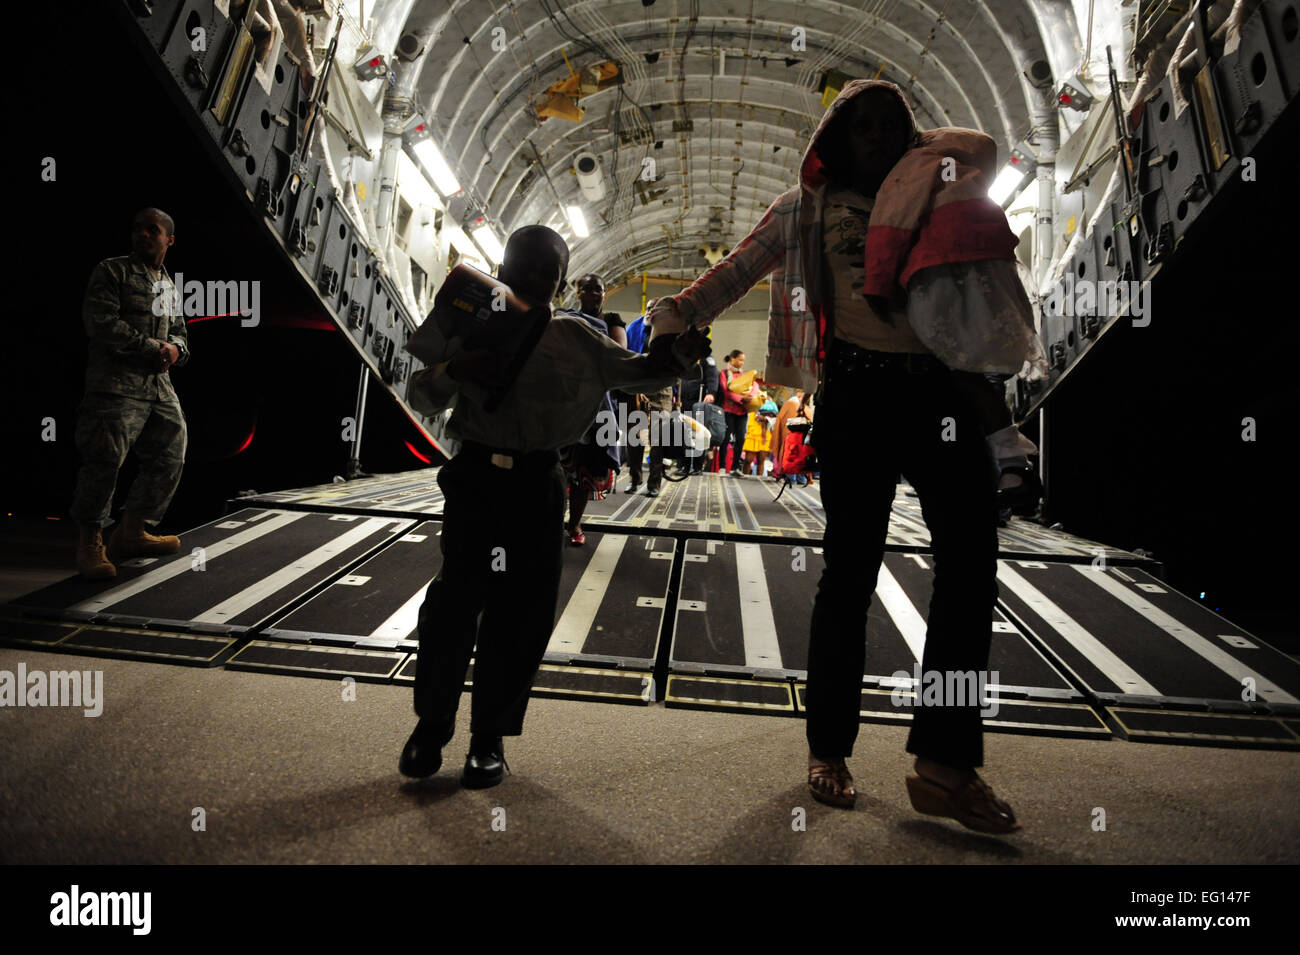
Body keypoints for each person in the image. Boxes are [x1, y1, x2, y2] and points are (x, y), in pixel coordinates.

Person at [648, 80, 1019, 833]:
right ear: (836, 140)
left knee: (972, 562)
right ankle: (828, 748)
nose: (878, 138)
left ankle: (946, 761)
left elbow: (983, 155)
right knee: (851, 570)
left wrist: (926, 151)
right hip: (857, 394)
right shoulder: (805, 209)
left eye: (892, 126)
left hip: (938, 393)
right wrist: (677, 316)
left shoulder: (931, 190)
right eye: (862, 128)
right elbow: (737, 270)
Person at [399, 226, 710, 788]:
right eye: (528, 266)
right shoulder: (473, 314)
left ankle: (488, 737)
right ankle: (431, 727)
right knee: (451, 606)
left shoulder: (579, 338)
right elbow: (421, 393)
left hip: (541, 483)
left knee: (520, 615)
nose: (540, 278)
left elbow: (640, 372)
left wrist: (681, 356)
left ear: (562, 281)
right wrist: (454, 371)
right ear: (502, 264)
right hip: (473, 478)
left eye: (551, 271)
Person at [862, 126, 1048, 519]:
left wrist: (878, 285)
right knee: (982, 376)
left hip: (939, 274)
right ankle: (1010, 467)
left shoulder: (909, 170)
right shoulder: (965, 171)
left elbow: (891, 228)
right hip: (994, 273)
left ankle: (979, 473)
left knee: (947, 371)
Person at [71, 208, 190, 579]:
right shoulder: (113, 271)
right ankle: (92, 540)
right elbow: (101, 323)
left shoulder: (169, 285)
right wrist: (150, 348)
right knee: (105, 459)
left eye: (151, 230)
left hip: (158, 387)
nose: (141, 234)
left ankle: (132, 531)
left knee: (172, 454)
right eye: (137, 229)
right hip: (116, 385)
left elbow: (181, 333)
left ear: (169, 240)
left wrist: (176, 350)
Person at [557, 273, 618, 545]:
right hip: (565, 402)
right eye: (587, 289)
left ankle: (575, 524)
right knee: (559, 468)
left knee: (585, 471)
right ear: (578, 292)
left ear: (605, 293)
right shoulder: (565, 318)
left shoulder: (612, 322)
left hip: (596, 408)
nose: (593, 293)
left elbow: (617, 355)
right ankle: (550, 521)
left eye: (598, 289)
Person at [625, 308, 674, 496]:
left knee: (659, 439)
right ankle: (634, 479)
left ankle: (654, 484)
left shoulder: (670, 331)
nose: (651, 312)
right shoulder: (634, 329)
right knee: (634, 438)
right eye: (649, 308)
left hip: (662, 390)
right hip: (637, 387)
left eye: (656, 309)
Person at [719, 350, 757, 475]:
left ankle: (735, 468)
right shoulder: (724, 373)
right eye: (740, 360)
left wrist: (751, 396)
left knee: (740, 438)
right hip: (728, 410)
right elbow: (726, 392)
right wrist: (741, 398)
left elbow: (754, 385)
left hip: (742, 412)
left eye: (743, 361)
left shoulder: (745, 374)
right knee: (725, 439)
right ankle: (722, 467)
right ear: (732, 359)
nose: (742, 363)